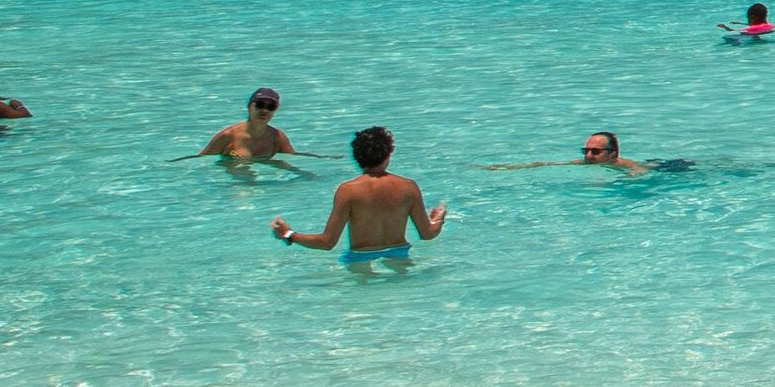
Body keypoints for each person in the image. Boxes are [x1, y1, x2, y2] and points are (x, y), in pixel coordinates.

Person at [274, 126, 446, 262]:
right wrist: (438, 218)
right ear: (387, 155)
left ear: (356, 157)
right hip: (400, 255)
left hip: (359, 258)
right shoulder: (409, 187)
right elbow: (427, 234)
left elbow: (327, 242)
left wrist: (290, 235)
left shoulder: (348, 190)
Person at [487, 130, 683, 175]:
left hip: (665, 168)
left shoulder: (621, 164)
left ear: (612, 153)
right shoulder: (585, 163)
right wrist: (506, 167)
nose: (588, 155)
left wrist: (631, 178)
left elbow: (639, 171)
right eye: (586, 150)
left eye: (595, 152)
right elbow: (544, 163)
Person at [192, 87, 296, 161]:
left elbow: (293, 160)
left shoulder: (277, 137)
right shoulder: (229, 136)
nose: (264, 110)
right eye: (260, 105)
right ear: (250, 107)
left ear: (275, 110)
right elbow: (202, 160)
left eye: (271, 107)